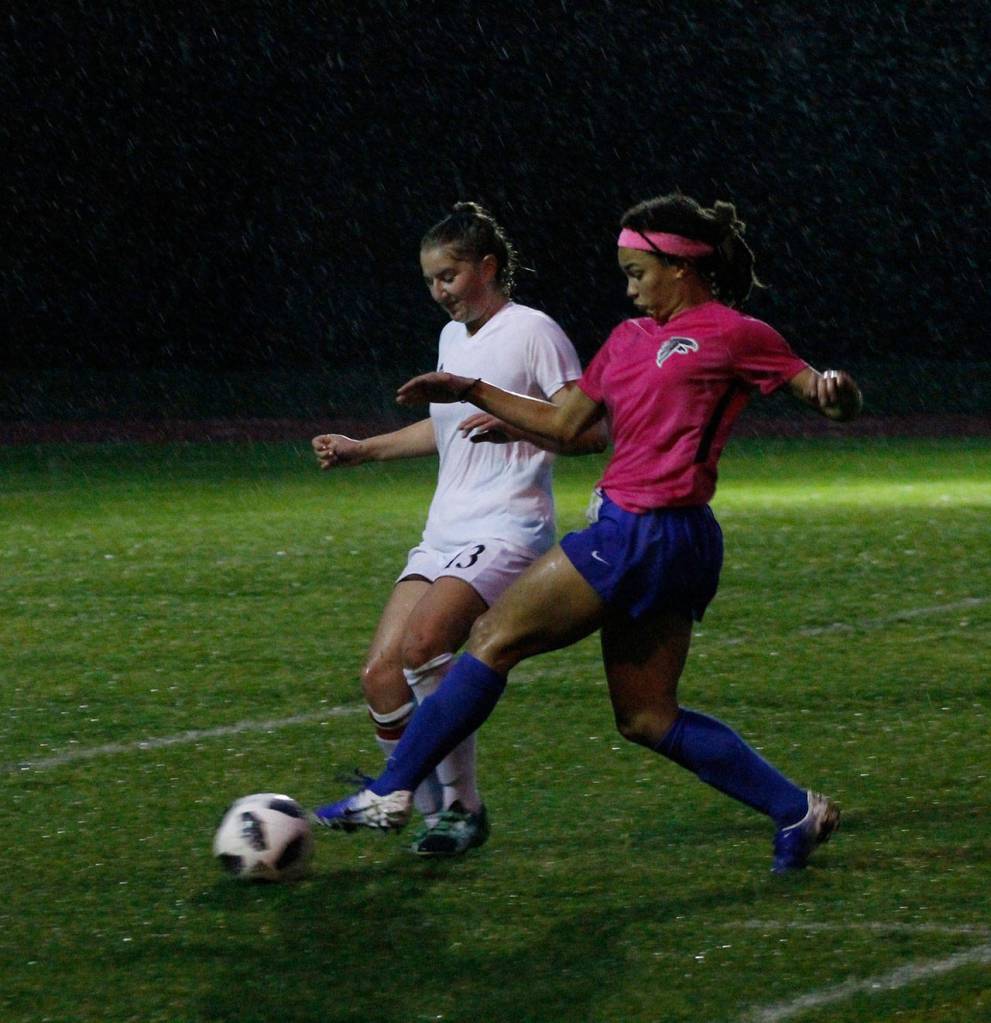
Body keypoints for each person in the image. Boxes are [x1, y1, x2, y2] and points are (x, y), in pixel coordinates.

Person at [314, 192, 862, 873]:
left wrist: (837, 394)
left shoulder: (734, 332)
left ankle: (391, 790)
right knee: (645, 716)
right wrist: (472, 391)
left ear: (680, 265)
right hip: (651, 537)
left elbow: (819, 391)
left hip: (649, 530)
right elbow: (570, 424)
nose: (628, 286)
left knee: (490, 639)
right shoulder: (627, 340)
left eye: (637, 271)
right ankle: (794, 808)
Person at [312, 201, 605, 856]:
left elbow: (587, 430)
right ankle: (421, 811)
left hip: (509, 526)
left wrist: (512, 421)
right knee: (380, 675)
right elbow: (444, 430)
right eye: (429, 281)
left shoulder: (534, 331)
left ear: (488, 267)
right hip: (445, 528)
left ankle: (461, 809)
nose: (438, 291)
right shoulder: (452, 341)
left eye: (448, 275)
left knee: (424, 645)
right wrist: (366, 448)